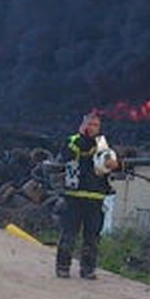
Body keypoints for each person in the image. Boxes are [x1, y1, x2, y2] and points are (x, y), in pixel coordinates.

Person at [56, 111, 121, 279]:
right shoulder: (73, 141)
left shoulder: (103, 144)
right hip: (74, 196)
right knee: (69, 234)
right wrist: (83, 137)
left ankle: (88, 269)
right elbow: (68, 155)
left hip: (96, 197)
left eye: (95, 125)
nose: (92, 128)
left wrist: (115, 164)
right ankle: (63, 267)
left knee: (92, 237)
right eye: (89, 124)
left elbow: (111, 163)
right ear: (83, 125)